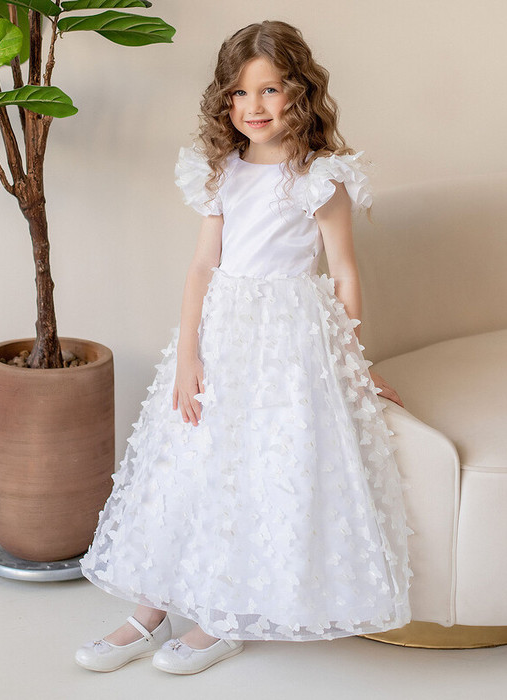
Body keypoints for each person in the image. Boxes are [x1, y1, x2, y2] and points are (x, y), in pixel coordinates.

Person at [75, 19, 414, 676]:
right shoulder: (220, 172)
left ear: (299, 92)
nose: (253, 106)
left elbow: (344, 274)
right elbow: (202, 267)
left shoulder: (319, 177)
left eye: (269, 89)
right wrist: (188, 359)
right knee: (187, 464)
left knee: (254, 468)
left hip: (287, 346)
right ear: (224, 100)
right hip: (222, 335)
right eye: (238, 93)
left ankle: (222, 614)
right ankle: (149, 610)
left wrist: (353, 365)